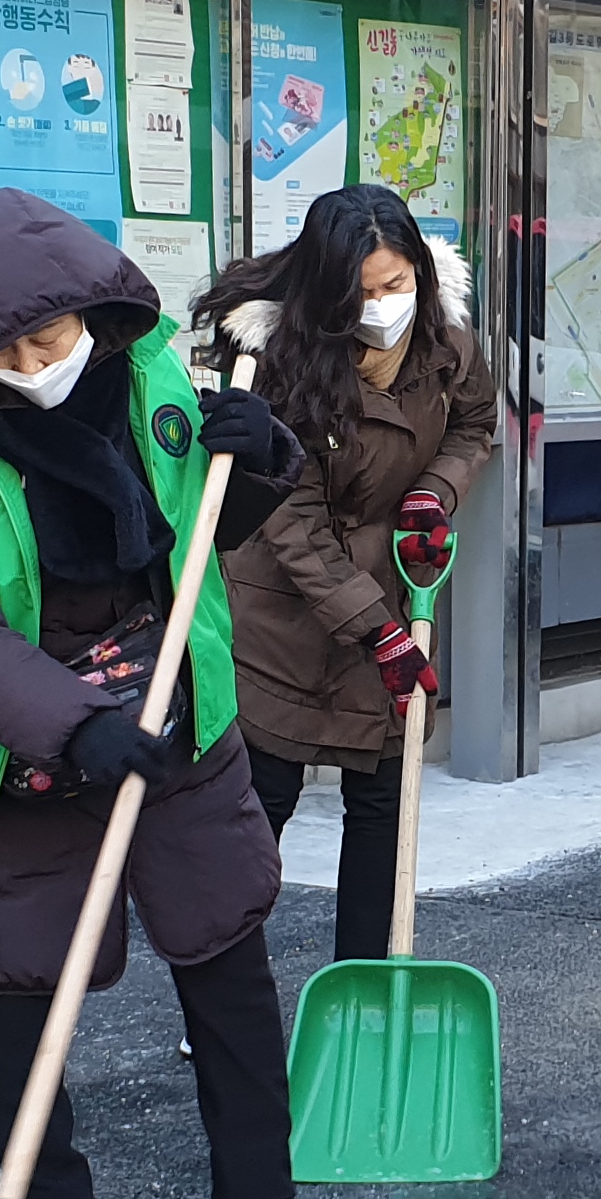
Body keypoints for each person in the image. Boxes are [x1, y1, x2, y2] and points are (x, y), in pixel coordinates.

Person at [0, 185, 360, 1199]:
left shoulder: (156, 375)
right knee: (12, 985)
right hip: (8, 743)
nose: (42, 362)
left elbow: (204, 529)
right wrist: (65, 723)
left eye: (57, 335)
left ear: (95, 309)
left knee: (226, 958)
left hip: (178, 703)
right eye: (11, 349)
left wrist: (265, 455)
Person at [197, 184, 494, 961]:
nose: (384, 304)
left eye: (397, 284)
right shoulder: (272, 360)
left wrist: (435, 494)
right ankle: (234, 1003)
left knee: (382, 809)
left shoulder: (448, 345)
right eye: (363, 291)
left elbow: (474, 424)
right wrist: (378, 633)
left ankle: (363, 985)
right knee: (258, 811)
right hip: (283, 617)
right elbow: (286, 522)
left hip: (394, 594)